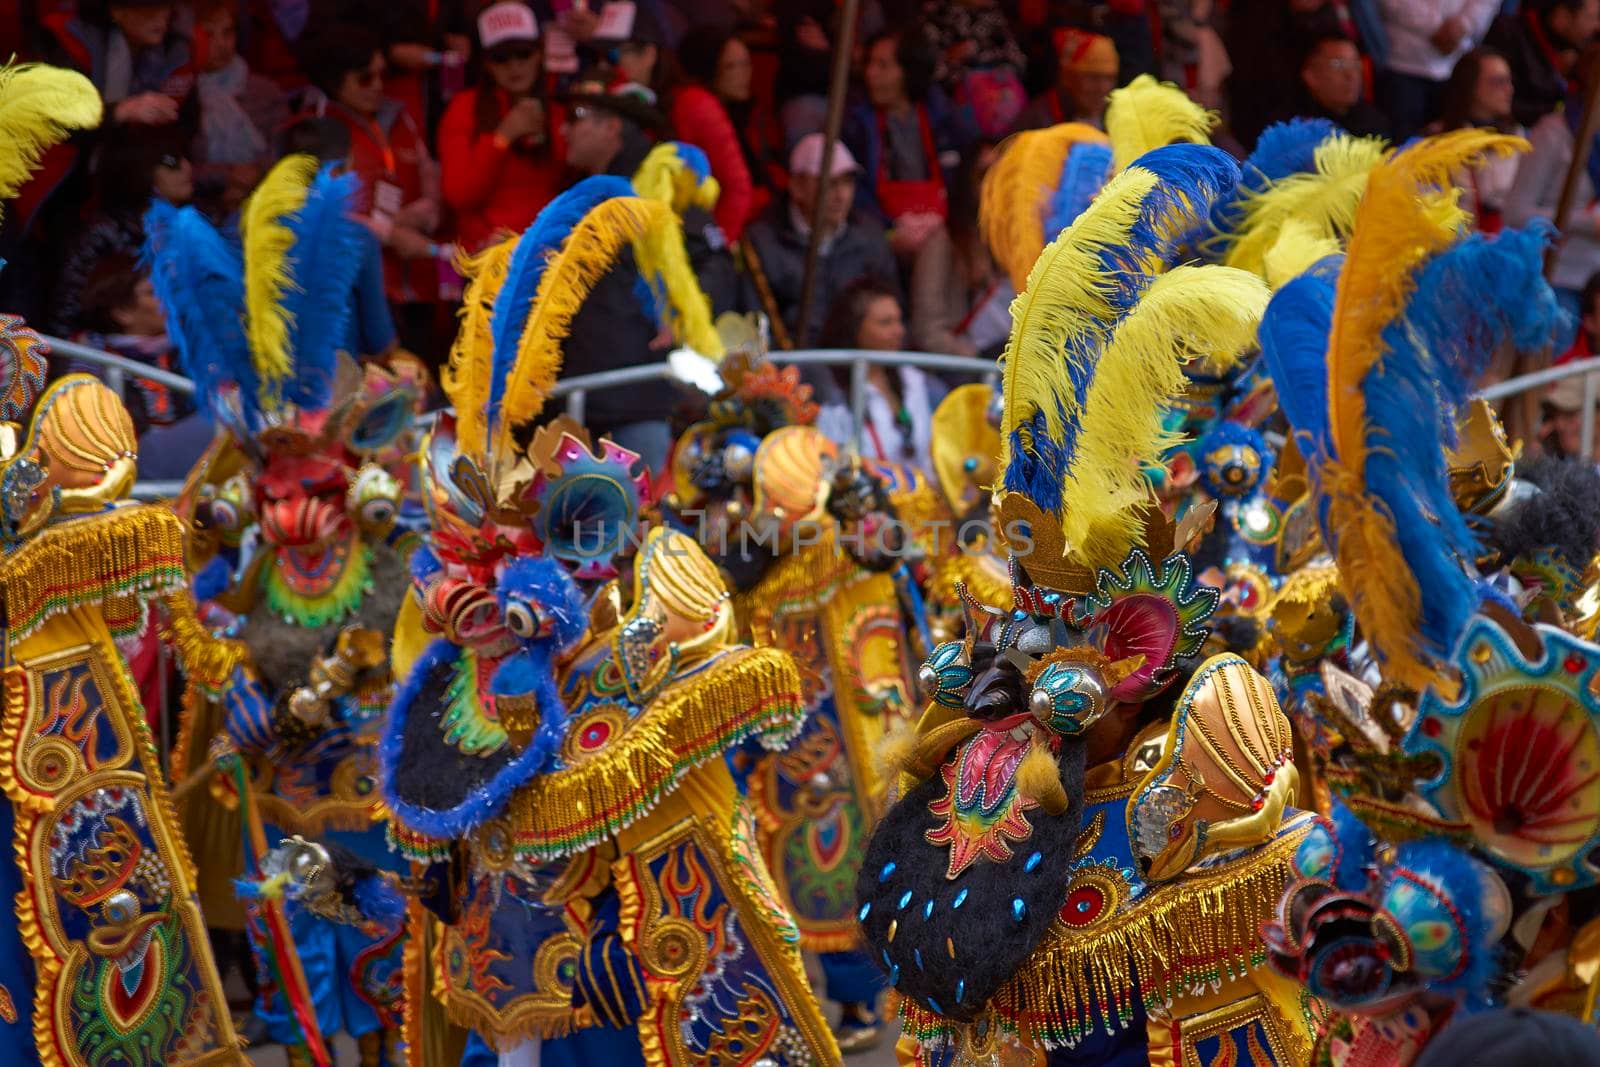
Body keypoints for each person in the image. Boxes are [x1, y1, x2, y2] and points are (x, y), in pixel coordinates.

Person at [301, 23, 444, 361]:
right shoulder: (318, 129)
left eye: (382, 75)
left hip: (419, 283)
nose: (378, 86)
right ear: (336, 80)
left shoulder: (402, 118)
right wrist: (389, 232)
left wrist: (426, 212)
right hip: (364, 291)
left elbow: (431, 176)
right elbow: (316, 210)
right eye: (365, 78)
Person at [741, 134, 900, 353]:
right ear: (797, 186)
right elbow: (757, 324)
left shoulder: (869, 235)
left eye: (847, 182)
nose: (841, 195)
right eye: (830, 183)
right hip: (796, 364)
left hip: (862, 362)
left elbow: (894, 308)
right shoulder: (763, 242)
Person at [437, 1, 565, 253]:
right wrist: (502, 137)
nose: (514, 66)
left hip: (549, 255)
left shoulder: (559, 108)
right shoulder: (464, 108)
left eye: (523, 54)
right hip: (489, 257)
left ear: (539, 53)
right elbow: (459, 194)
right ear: (487, 63)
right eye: (501, 58)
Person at [843, 28, 976, 258]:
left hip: (943, 232)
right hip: (882, 236)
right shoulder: (856, 124)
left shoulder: (942, 115)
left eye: (883, 65)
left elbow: (969, 167)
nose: (870, 73)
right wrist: (888, 231)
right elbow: (856, 191)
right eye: (869, 64)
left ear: (909, 70)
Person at [51, 127, 193, 336]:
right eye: (172, 161)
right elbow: (66, 310)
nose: (187, 167)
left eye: (186, 157)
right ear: (140, 168)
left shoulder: (194, 231)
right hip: (106, 360)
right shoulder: (104, 232)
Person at [817, 278, 948, 474]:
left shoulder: (915, 381)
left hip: (924, 499)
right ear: (854, 329)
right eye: (885, 323)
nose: (899, 331)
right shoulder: (833, 396)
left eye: (899, 320)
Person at [908, 144, 1012, 358]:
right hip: (961, 366)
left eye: (1004, 175)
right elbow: (928, 331)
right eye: (984, 174)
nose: (995, 183)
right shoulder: (943, 241)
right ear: (967, 182)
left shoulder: (1018, 240)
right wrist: (973, 358)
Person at [192, 0, 286, 213]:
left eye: (228, 33)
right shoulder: (183, 95)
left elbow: (284, 147)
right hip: (200, 206)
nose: (221, 44)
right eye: (209, 35)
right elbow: (179, 165)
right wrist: (228, 175)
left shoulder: (264, 91)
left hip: (265, 200)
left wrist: (254, 174)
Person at [38, 0, 191, 125]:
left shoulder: (174, 50)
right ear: (116, 10)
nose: (161, 16)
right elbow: (58, 119)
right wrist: (119, 111)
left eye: (166, 6)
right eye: (148, 7)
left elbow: (182, 122)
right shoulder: (70, 42)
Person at [671, 26, 758, 242]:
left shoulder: (742, 110)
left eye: (746, 63)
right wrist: (719, 247)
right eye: (732, 66)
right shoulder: (700, 105)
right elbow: (738, 187)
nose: (744, 73)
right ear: (707, 68)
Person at [1425, 47, 1521, 230]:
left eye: (1509, 81)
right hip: (1456, 247)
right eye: (1498, 82)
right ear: (1471, 86)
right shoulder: (1436, 141)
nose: (1509, 89)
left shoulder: (1518, 139)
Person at [1377, 0, 1501, 139]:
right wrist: (1435, 27)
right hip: (1404, 61)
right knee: (1403, 146)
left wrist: (1464, 24)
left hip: (1458, 61)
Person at [919, 0, 1029, 136]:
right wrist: (951, 57)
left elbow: (1019, 61)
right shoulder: (934, 18)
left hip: (1007, 100)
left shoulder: (993, 16)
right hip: (962, 110)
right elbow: (928, 75)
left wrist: (997, 76)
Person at [1487, 0, 1600, 128]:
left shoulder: (1577, 57)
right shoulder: (1508, 36)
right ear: (1563, 16)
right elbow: (1502, 106)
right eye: (1592, 18)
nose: (1597, 27)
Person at [1283, 33, 1394, 138]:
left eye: (1355, 64)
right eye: (1338, 64)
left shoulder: (1373, 121)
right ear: (1311, 76)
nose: (1351, 75)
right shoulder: (1292, 128)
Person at [1012, 28, 1120, 132]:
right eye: (1093, 77)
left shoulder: (1118, 118)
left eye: (1110, 78)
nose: (1103, 87)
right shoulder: (1039, 119)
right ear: (1068, 78)